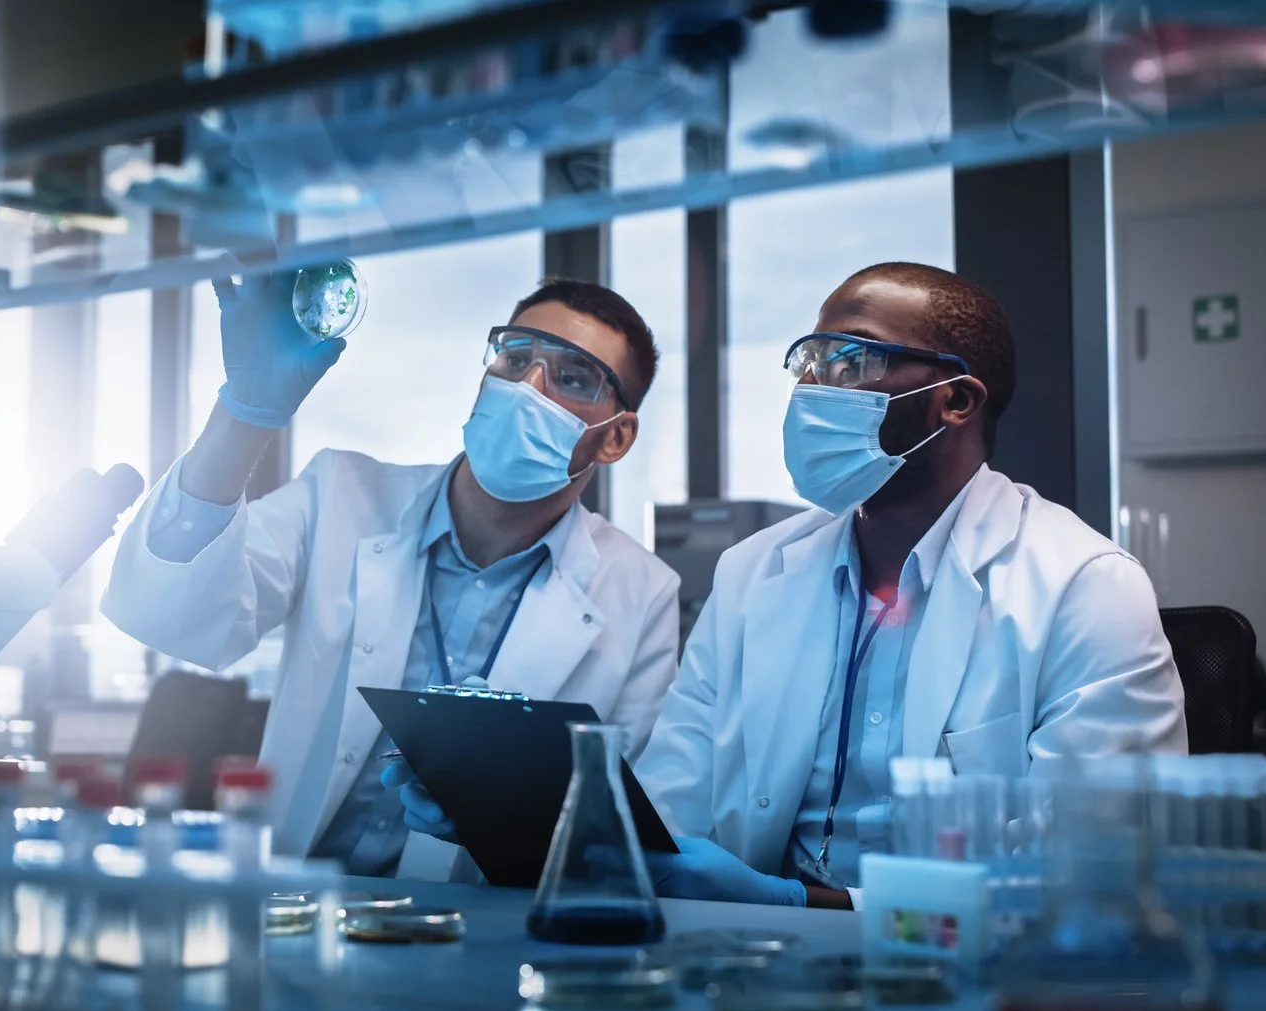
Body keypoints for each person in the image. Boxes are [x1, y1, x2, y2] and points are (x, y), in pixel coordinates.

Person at [634, 262, 1187, 909]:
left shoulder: (1085, 585)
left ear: (954, 399)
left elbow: (1090, 866)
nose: (811, 386)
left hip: (976, 973)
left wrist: (803, 904)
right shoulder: (750, 574)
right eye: (807, 360)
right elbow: (667, 803)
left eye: (850, 361)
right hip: (754, 963)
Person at [103, 273, 683, 880]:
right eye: (514, 359)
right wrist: (246, 415)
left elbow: (620, 831)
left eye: (570, 378)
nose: (528, 388)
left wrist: (512, 810)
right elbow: (173, 613)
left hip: (475, 941)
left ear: (615, 436)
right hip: (289, 908)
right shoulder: (340, 494)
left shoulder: (640, 593)